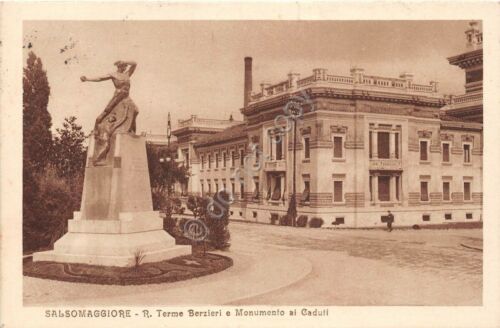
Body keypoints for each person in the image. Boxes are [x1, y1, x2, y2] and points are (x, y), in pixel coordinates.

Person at [80, 60, 138, 164]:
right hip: (118, 96)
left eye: (125, 66)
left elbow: (135, 63)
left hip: (126, 97)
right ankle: (97, 126)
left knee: (136, 110)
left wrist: (126, 60)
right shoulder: (113, 74)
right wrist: (88, 79)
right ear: (119, 66)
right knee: (106, 111)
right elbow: (100, 78)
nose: (125, 67)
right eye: (123, 66)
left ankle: (131, 130)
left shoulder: (127, 74)